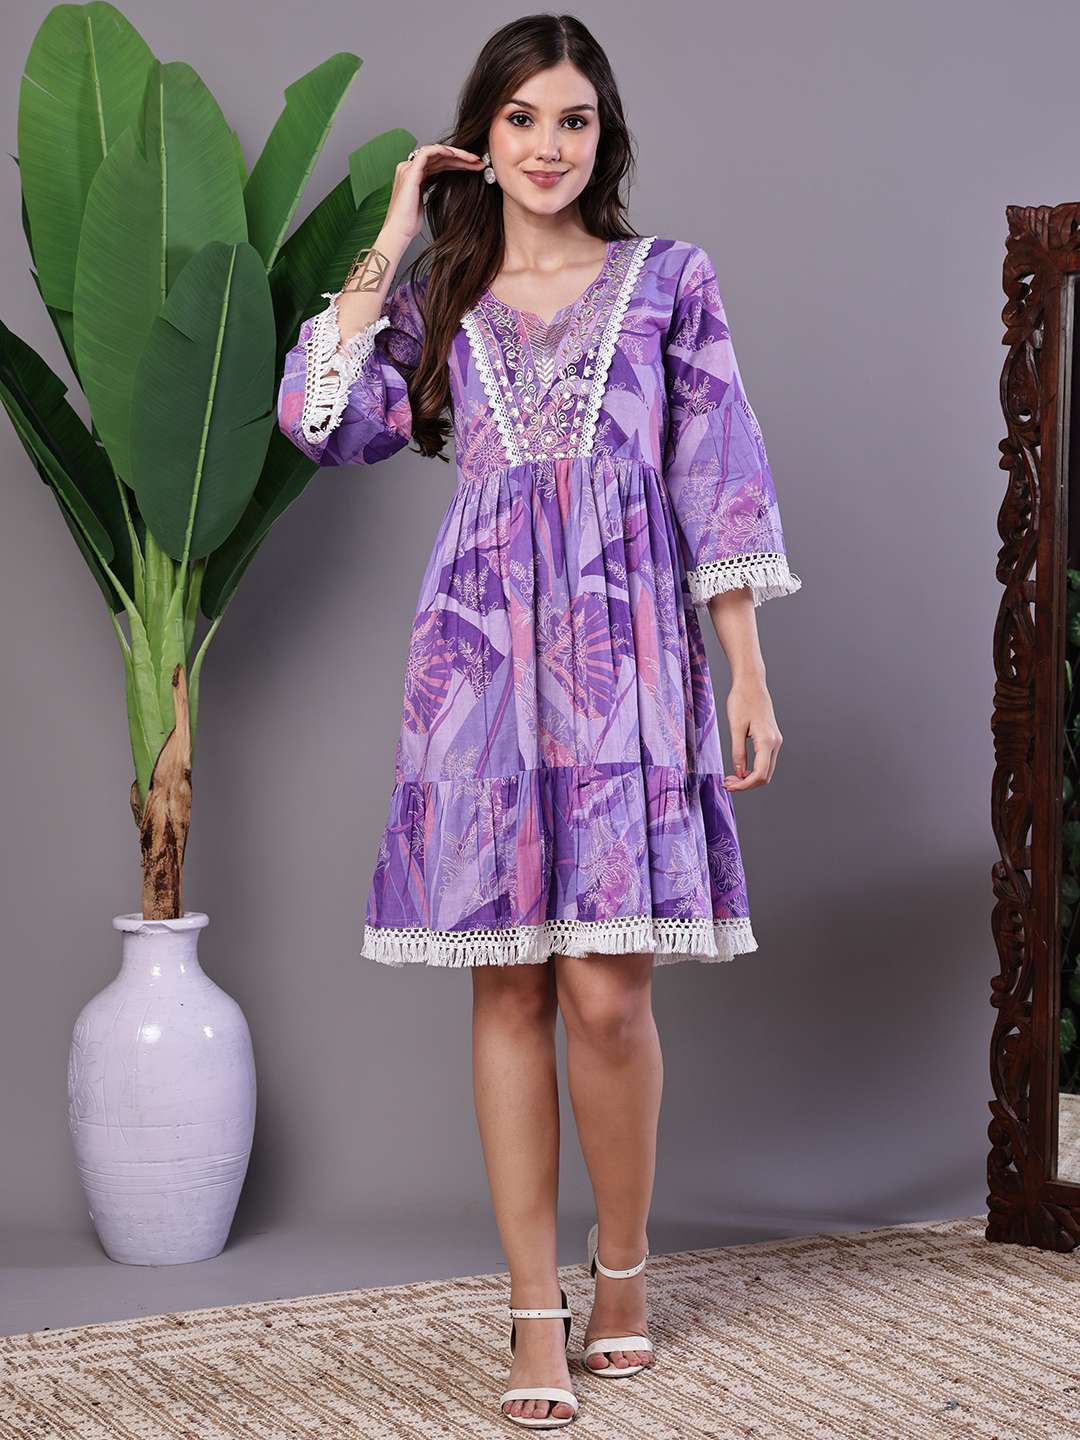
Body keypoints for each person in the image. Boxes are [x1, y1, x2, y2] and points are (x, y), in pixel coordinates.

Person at [277, 12, 800, 1428]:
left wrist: (746, 671)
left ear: (602, 133)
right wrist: (395, 231)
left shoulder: (669, 281)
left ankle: (621, 1273)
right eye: (521, 119)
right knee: (506, 985)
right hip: (478, 671)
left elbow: (718, 474)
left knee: (608, 994)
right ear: (482, 137)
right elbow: (320, 420)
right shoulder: (439, 298)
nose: (549, 146)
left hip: (629, 661)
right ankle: (530, 1315)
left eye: (573, 119)